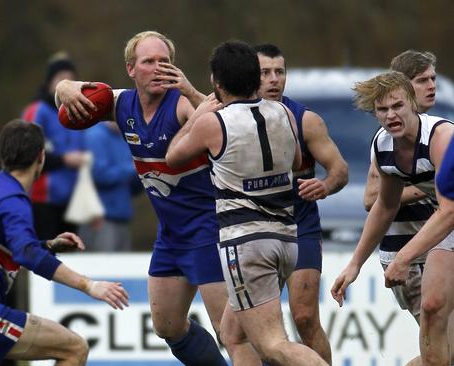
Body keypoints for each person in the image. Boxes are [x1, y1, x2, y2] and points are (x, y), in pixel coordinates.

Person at [57, 31, 257, 365]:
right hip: (171, 233)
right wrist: (64, 88)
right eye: (148, 61)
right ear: (131, 69)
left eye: (164, 61)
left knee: (233, 333)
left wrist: (192, 91)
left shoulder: (181, 104)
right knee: (167, 326)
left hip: (209, 230)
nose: (157, 68)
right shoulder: (121, 104)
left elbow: (226, 118)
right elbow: (66, 102)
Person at [166, 40, 329, 366]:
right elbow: (297, 160)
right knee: (234, 334)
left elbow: (172, 157)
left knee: (273, 345)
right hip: (286, 238)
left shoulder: (215, 122)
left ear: (216, 82)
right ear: (256, 79)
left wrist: (198, 113)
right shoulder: (282, 112)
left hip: (246, 243)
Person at [0, 120, 129, 366]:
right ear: (41, 157)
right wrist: (89, 285)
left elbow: (8, 246)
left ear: (4, 156)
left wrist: (47, 245)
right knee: (74, 348)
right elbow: (28, 255)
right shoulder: (12, 199)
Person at [331, 71, 454, 365]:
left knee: (439, 324)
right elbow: (384, 206)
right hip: (440, 227)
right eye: (382, 109)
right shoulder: (383, 145)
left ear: (413, 103)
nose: (390, 115)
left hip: (446, 220)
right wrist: (355, 264)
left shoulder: (441, 138)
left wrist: (403, 258)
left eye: (397, 106)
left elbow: (449, 212)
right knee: (437, 323)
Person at [254, 43, 348, 364]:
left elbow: (340, 171)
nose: (273, 79)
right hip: (255, 231)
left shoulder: (306, 120)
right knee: (248, 329)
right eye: (265, 72)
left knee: (305, 317)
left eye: (279, 72)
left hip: (300, 228)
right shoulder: (233, 118)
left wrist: (324, 185)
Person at [360, 51, 440, 365]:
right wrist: (426, 187)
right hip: (409, 257)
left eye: (433, 78)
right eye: (422, 80)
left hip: (435, 252)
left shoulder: (431, 131)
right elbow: (372, 199)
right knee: (442, 353)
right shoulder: (388, 140)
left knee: (442, 354)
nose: (431, 86)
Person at [21, 52, 87, 239]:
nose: (66, 84)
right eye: (61, 79)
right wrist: (64, 160)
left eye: (71, 80)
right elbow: (26, 152)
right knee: (46, 254)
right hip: (43, 199)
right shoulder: (37, 111)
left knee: (70, 255)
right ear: (50, 82)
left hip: (73, 200)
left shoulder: (78, 111)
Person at [78, 121, 142, 252]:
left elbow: (133, 184)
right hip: (101, 218)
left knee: (122, 268)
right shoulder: (96, 135)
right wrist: (135, 168)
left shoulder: (124, 136)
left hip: (122, 214)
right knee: (103, 267)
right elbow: (100, 175)